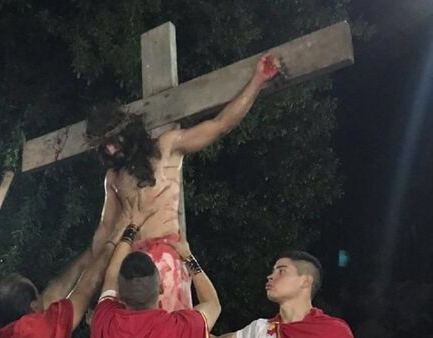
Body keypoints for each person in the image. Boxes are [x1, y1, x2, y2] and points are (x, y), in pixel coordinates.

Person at [86, 54, 282, 311]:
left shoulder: (166, 147)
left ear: (126, 131)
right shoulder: (113, 178)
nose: (111, 150)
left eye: (113, 140)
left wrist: (257, 81)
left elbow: (219, 125)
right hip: (130, 268)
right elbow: (105, 228)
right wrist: (95, 280)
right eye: (104, 146)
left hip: (167, 261)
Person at [0, 193, 157, 338]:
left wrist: (90, 255)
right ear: (33, 308)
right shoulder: (36, 331)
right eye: (38, 294)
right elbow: (86, 288)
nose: (43, 297)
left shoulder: (5, 331)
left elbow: (53, 293)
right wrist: (121, 232)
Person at [90, 231, 221, 338]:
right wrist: (188, 257)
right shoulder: (180, 329)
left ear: (120, 295)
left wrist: (130, 230)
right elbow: (213, 304)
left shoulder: (105, 321)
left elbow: (110, 279)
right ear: (161, 288)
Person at [217, 250, 353, 338]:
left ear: (305, 281)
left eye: (281, 271)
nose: (270, 276)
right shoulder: (260, 329)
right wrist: (194, 266)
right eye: (273, 271)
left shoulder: (333, 332)